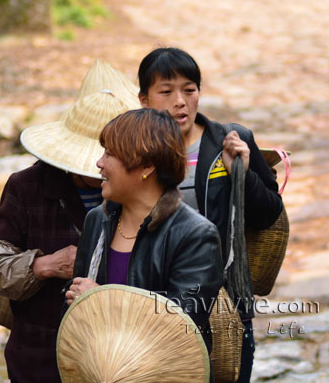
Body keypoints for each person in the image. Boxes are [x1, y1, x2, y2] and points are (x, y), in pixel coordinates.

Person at [0, 60, 141, 383]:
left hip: (122, 354)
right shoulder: (27, 187)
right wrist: (44, 264)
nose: (101, 166)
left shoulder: (141, 188)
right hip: (42, 355)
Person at [137, 47, 284, 382]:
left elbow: (268, 214)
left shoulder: (229, 141)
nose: (180, 101)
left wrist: (242, 175)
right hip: (157, 299)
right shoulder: (136, 150)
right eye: (166, 92)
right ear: (144, 99)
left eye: (189, 90)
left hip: (225, 298)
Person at [65, 108, 223, 355]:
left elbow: (181, 324)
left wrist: (101, 302)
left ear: (146, 165)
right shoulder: (98, 219)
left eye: (109, 154)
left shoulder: (195, 235)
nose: (99, 163)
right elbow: (76, 298)